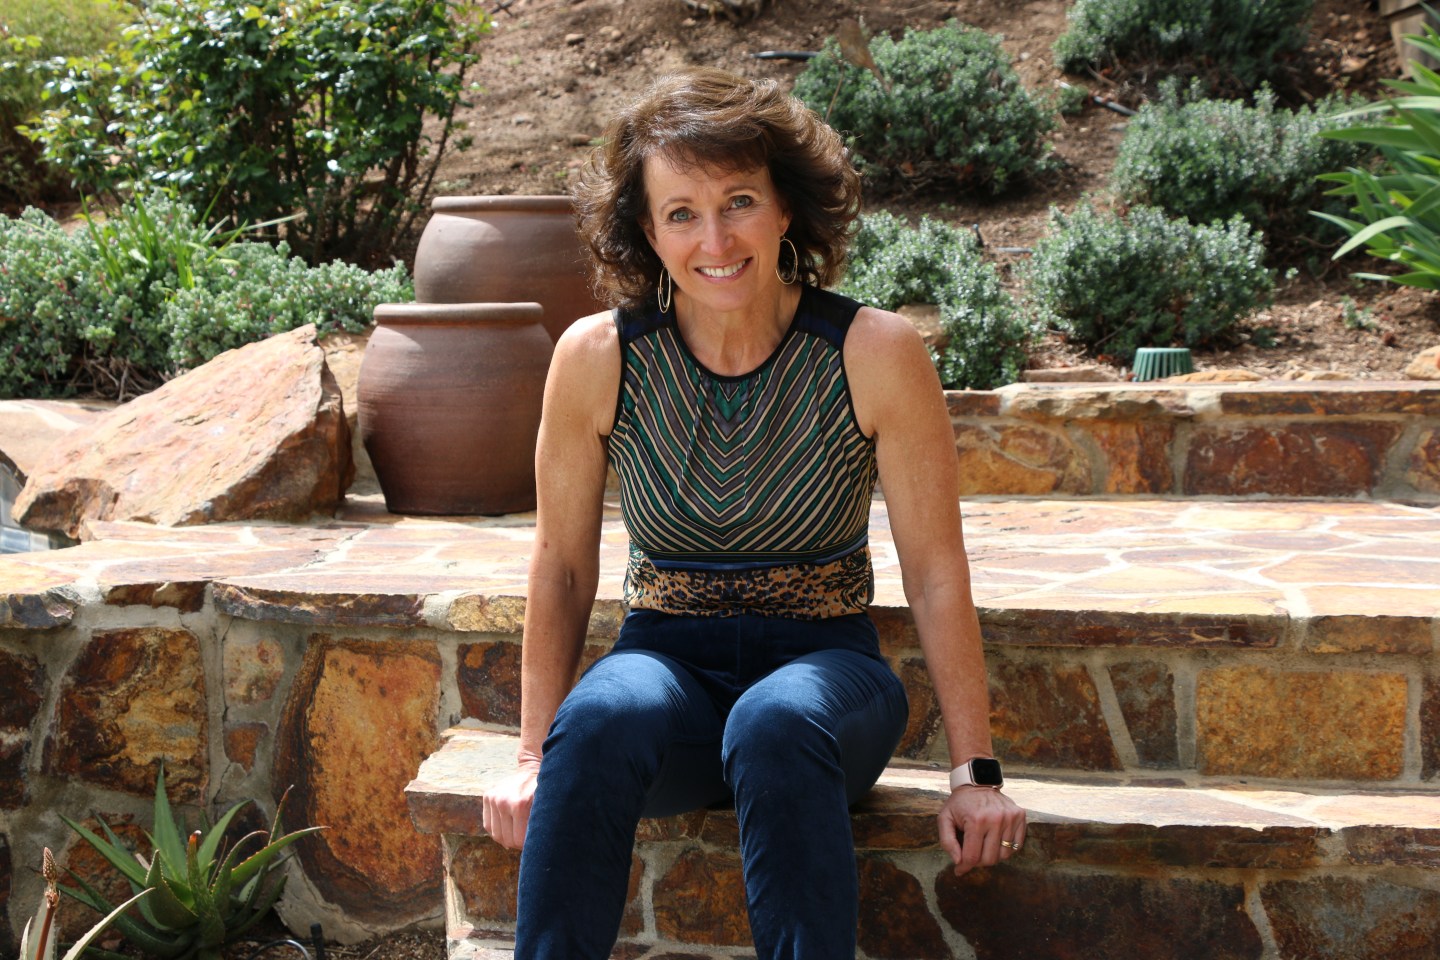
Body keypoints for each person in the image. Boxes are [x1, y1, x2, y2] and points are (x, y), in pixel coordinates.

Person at [481, 68, 1027, 960]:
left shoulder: (873, 351)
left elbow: (933, 572)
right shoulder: (598, 358)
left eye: (738, 200)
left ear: (785, 210)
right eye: (682, 213)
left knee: (774, 721)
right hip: (664, 668)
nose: (715, 237)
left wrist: (975, 774)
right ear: (648, 233)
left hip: (825, 681)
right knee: (601, 719)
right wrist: (533, 758)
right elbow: (564, 566)